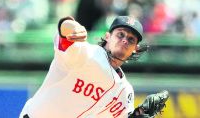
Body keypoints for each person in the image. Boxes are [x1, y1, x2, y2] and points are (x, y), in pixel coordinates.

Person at [19, 15, 169, 118]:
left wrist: (139, 113)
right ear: (108, 37)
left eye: (131, 39)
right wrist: (71, 26)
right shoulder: (86, 53)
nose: (124, 40)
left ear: (135, 48)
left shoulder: (125, 92)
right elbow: (64, 33)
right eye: (120, 34)